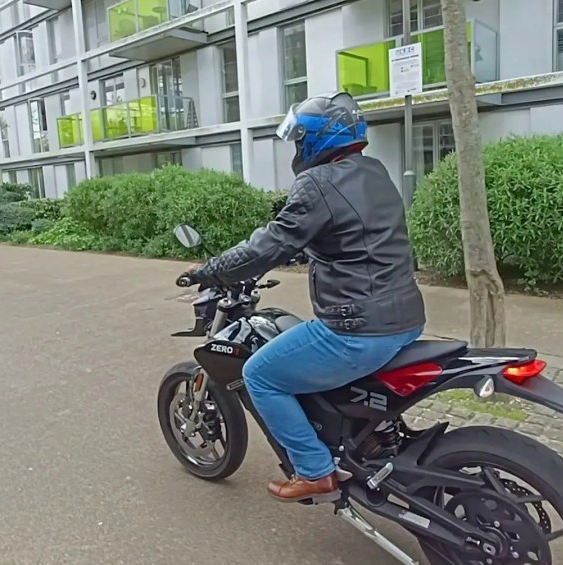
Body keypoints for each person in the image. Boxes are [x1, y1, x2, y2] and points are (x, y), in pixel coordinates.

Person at [179, 92, 426, 503]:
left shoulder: (318, 183)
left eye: (298, 140)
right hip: (405, 321)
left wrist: (208, 270)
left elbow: (266, 246)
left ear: (316, 140)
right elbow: (353, 235)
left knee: (261, 375)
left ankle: (315, 471)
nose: (296, 149)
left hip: (356, 329)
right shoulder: (374, 172)